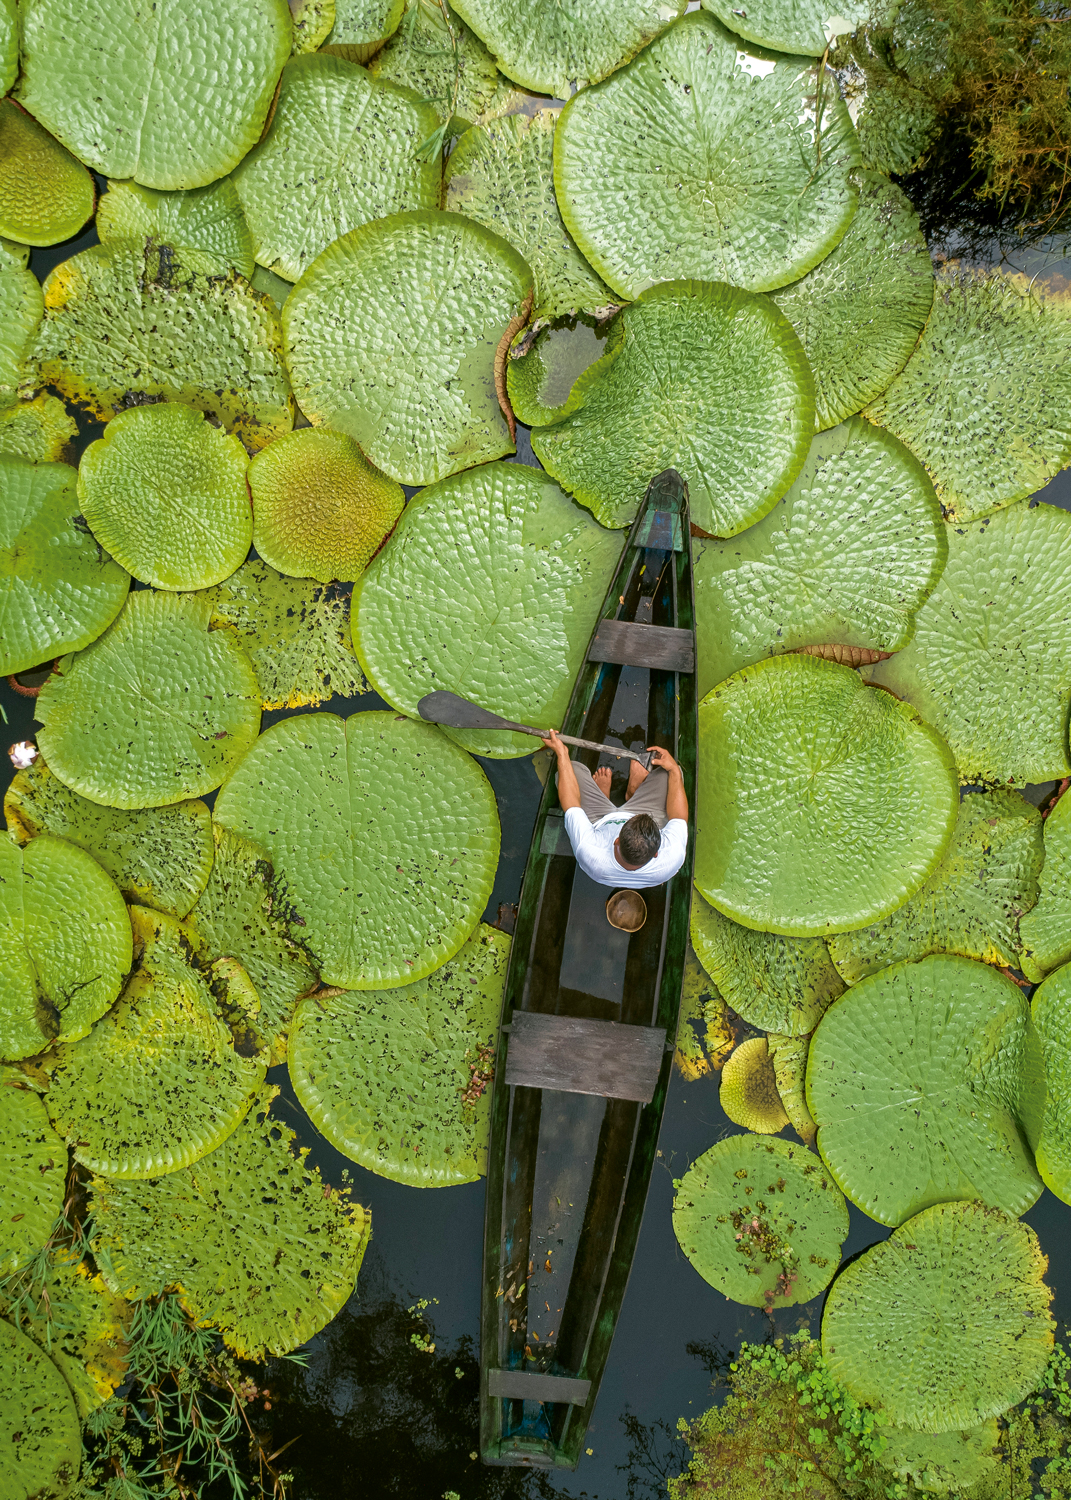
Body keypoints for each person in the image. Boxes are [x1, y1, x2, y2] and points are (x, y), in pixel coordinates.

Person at [544, 729, 688, 890]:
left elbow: (571, 803)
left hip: (599, 821)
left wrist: (562, 753)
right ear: (656, 853)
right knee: (671, 774)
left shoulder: (590, 849)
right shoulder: (672, 854)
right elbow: (679, 817)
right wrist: (674, 769)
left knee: (572, 769)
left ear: (616, 840)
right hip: (627, 815)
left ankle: (607, 796)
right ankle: (634, 791)